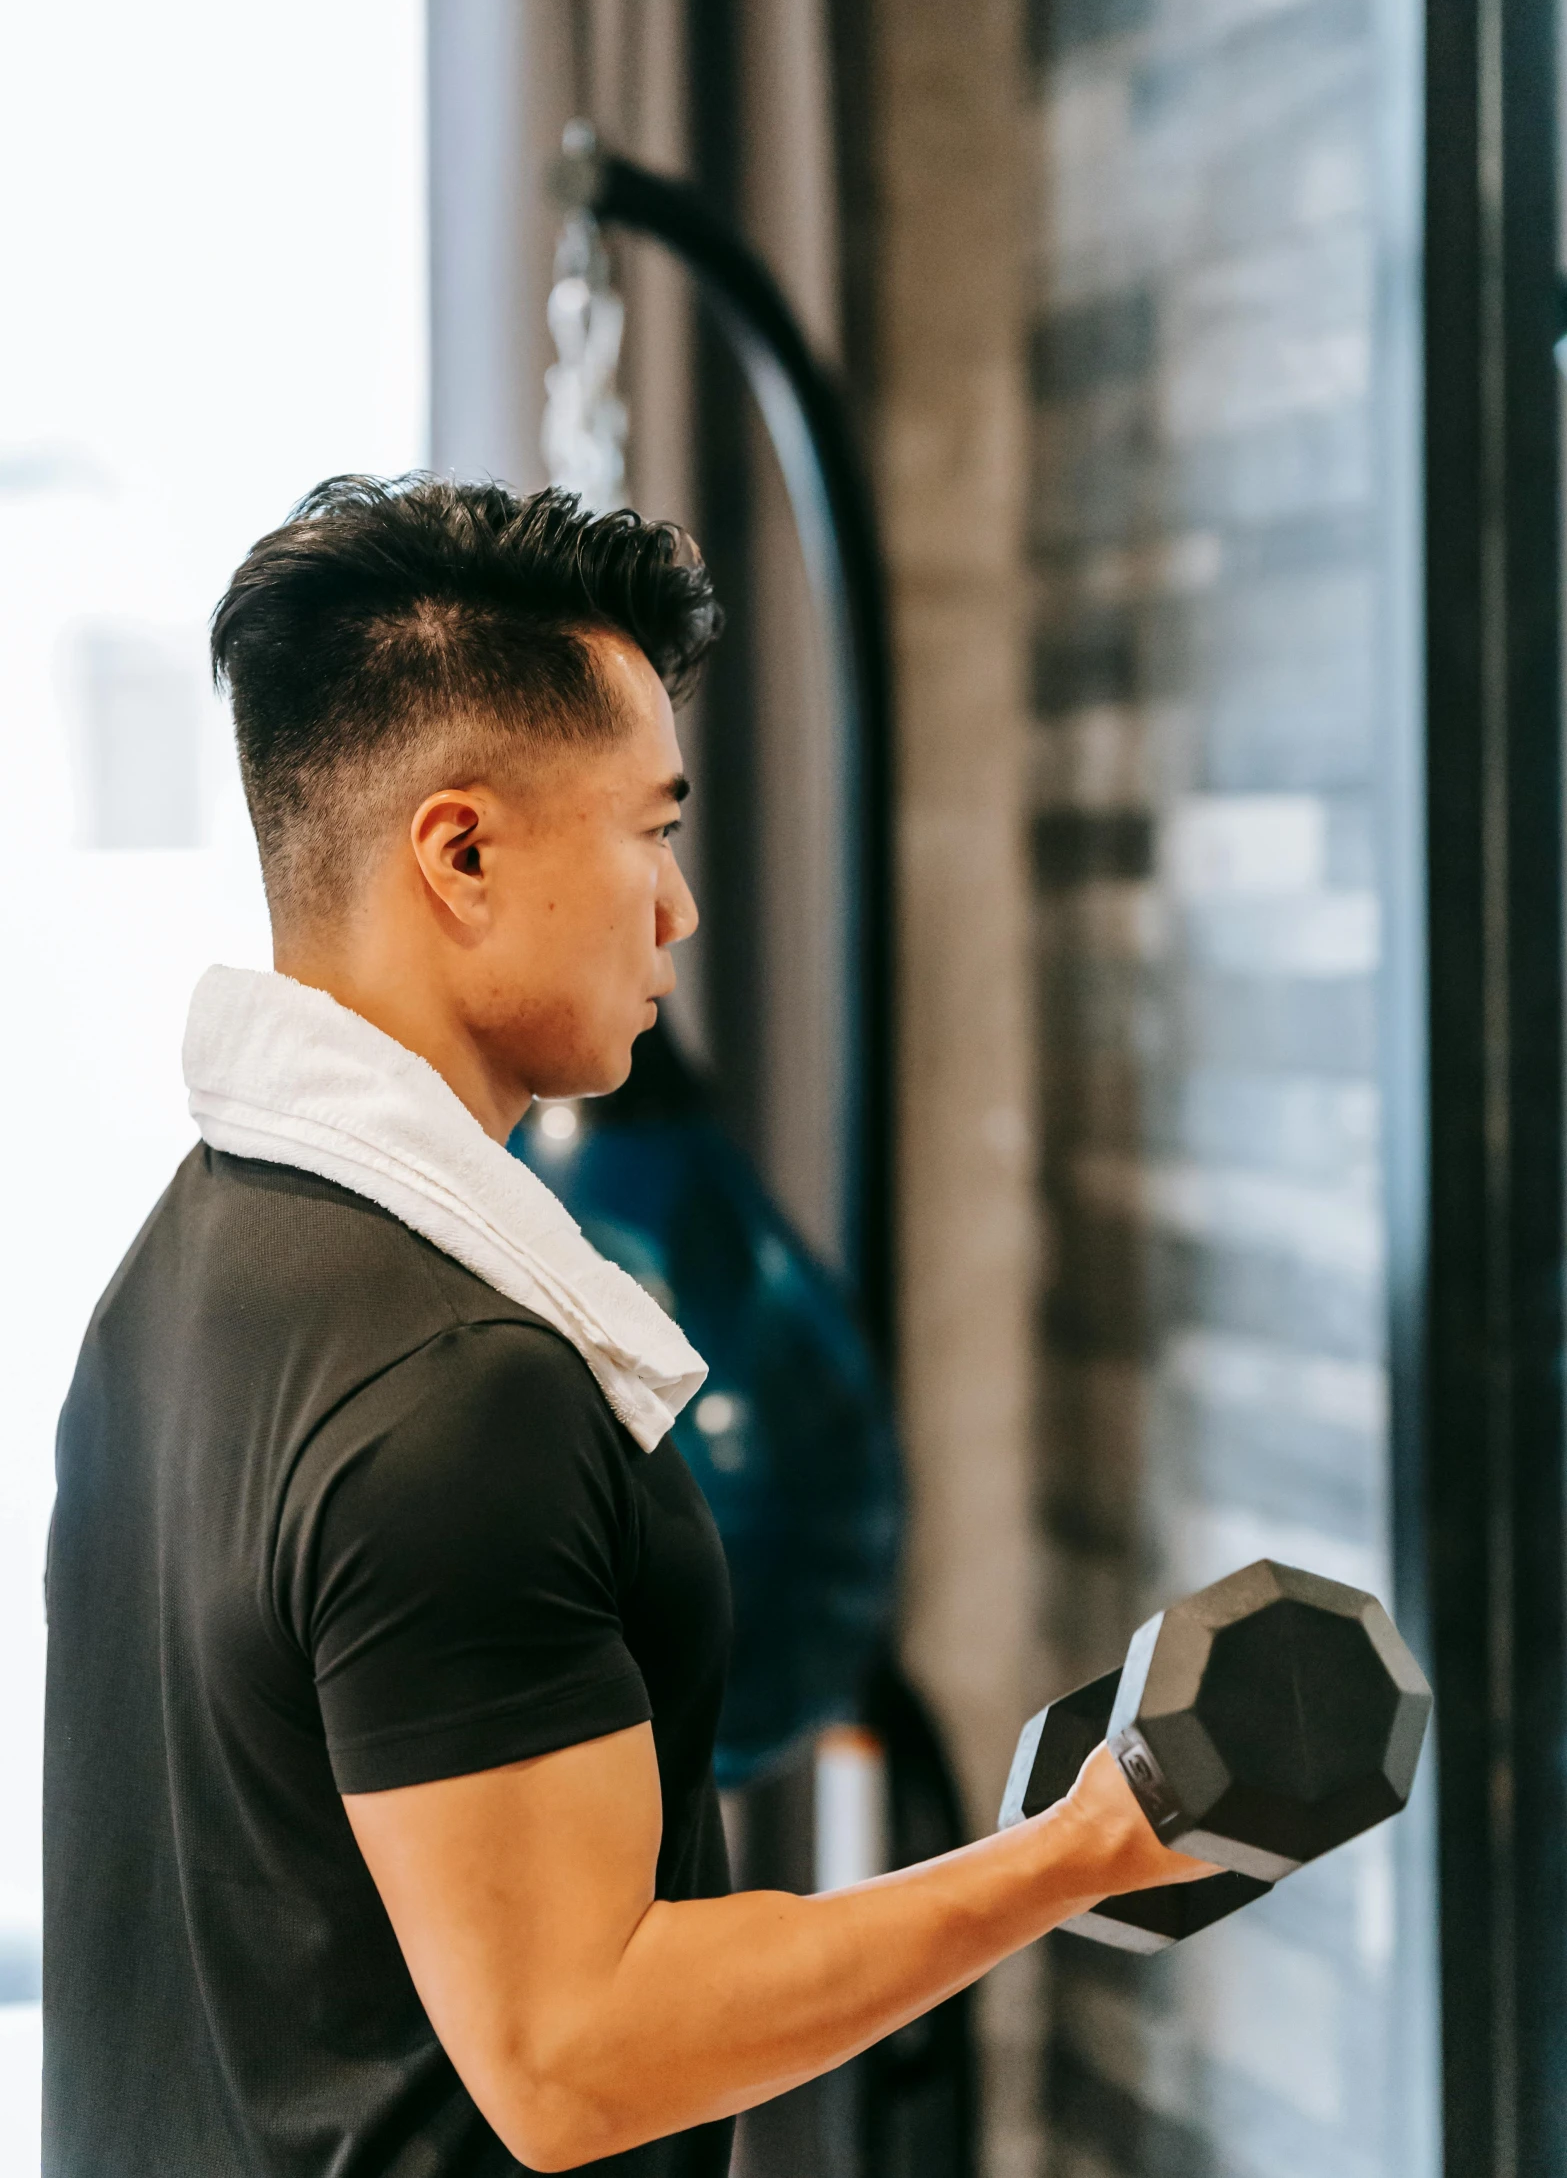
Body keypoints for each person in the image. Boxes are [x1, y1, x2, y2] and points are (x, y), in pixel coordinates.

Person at [43, 475, 1209, 2178]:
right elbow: (579, 2052)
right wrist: (1077, 1848)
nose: (674, 910)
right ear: (459, 852)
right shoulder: (456, 1391)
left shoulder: (175, 1279)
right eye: (652, 829)